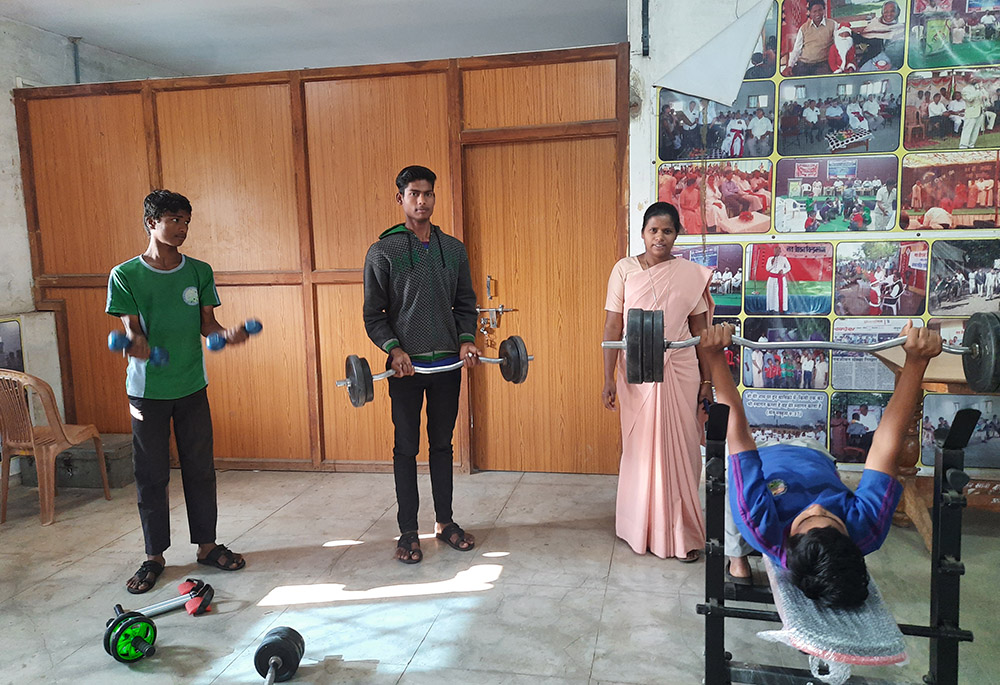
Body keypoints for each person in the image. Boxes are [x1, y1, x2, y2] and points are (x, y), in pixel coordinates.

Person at [702, 321, 942, 608]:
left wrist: (715, 357)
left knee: (726, 481)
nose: (816, 507)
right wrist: (916, 362)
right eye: (831, 516)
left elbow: (739, 432)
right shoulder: (868, 527)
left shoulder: (762, 525)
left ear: (788, 544)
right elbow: (885, 445)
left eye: (804, 519)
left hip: (763, 454)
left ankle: (736, 559)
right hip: (813, 452)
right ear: (851, 539)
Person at [106, 190, 248, 594]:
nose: (182, 228)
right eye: (174, 220)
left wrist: (228, 335)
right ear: (152, 222)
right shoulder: (125, 274)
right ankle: (154, 556)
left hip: (191, 386)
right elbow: (132, 331)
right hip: (147, 392)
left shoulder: (199, 271)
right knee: (150, 474)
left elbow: (209, 326)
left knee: (200, 468)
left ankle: (207, 546)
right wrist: (137, 345)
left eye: (186, 221)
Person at [363, 165, 480, 564]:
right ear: (401, 199)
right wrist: (394, 350)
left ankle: (444, 523)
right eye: (414, 193)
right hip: (406, 369)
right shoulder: (383, 251)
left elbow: (466, 303)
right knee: (406, 448)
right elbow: (373, 314)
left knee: (443, 446)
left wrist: (466, 339)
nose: (422, 201)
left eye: (428, 194)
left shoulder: (454, 249)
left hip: (447, 365)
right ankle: (408, 530)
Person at [602, 202, 713, 561]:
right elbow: (612, 327)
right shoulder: (624, 270)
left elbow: (701, 332)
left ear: (676, 234)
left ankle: (681, 533)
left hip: (681, 370)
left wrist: (707, 381)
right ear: (643, 233)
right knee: (642, 450)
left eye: (667, 231)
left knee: (681, 449)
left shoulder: (689, 274)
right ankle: (640, 529)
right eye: (653, 230)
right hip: (637, 372)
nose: (660, 237)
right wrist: (607, 377)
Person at [786, 0, 836, 76]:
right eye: (814, 11)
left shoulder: (832, 24)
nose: (817, 14)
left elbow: (839, 44)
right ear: (809, 12)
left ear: (824, 10)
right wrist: (790, 66)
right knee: (796, 82)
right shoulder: (804, 28)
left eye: (820, 10)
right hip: (804, 64)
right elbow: (796, 49)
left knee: (824, 82)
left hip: (823, 64)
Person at [765, 245, 792, 313]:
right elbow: (767, 269)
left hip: (780, 279)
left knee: (781, 293)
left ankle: (781, 308)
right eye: (775, 250)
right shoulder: (770, 258)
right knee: (771, 293)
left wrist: (783, 270)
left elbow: (788, 267)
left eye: (778, 250)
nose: (776, 252)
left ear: (780, 251)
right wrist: (772, 264)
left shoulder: (784, 259)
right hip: (772, 279)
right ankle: (772, 308)